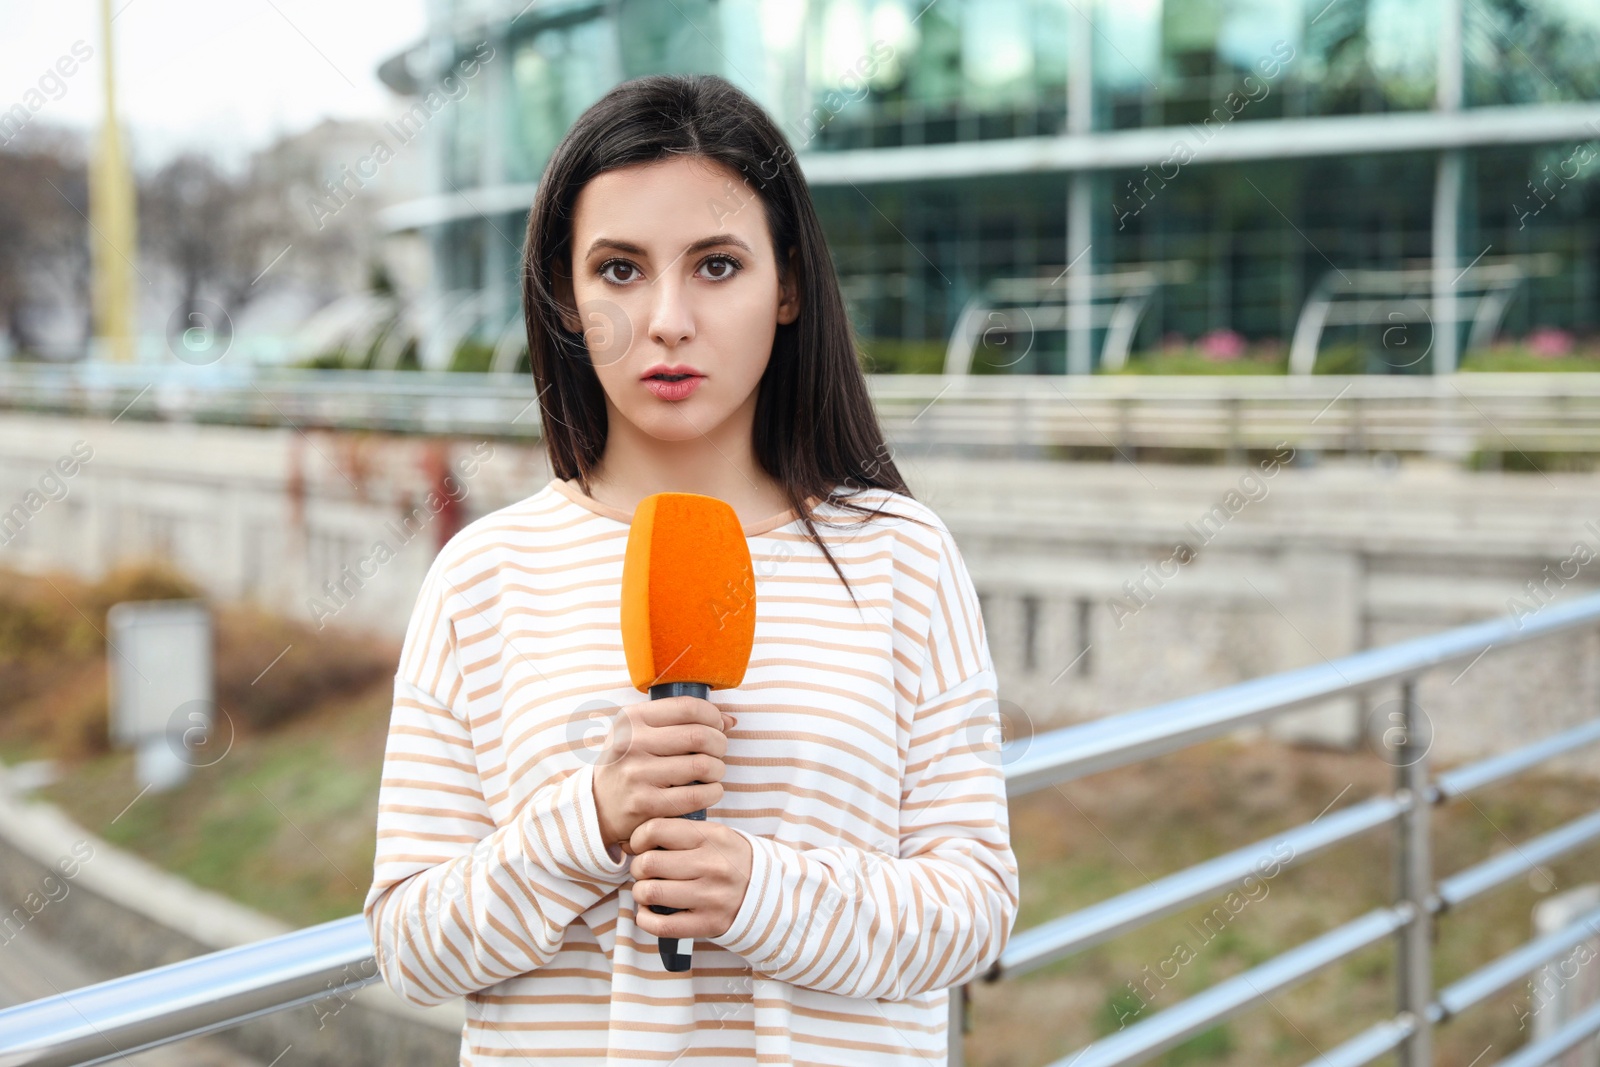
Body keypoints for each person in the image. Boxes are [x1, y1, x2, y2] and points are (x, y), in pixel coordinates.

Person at [363, 72, 1018, 1066]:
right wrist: (590, 817)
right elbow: (413, 943)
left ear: (787, 283)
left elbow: (973, 906)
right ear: (567, 298)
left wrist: (761, 890)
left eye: (715, 266)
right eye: (620, 270)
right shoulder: (482, 577)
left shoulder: (900, 556)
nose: (666, 318)